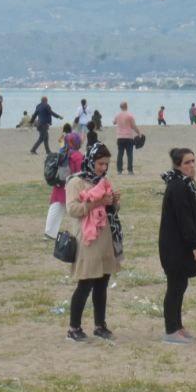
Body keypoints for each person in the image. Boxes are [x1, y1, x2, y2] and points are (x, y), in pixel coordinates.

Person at [64, 144, 122, 342]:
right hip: (87, 240)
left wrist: (114, 201)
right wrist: (99, 202)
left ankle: (100, 325)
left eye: (106, 164)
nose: (103, 168)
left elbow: (112, 209)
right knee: (85, 283)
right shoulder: (76, 182)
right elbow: (73, 209)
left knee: (102, 283)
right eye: (100, 164)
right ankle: (74, 328)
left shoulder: (104, 180)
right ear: (90, 161)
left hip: (105, 237)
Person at [158, 149, 196, 344]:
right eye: (187, 163)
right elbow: (184, 218)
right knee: (175, 286)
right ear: (178, 165)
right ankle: (170, 330)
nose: (192, 166)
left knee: (181, 284)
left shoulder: (187, 184)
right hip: (175, 245)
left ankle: (178, 325)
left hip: (182, 244)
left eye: (193, 161)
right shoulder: (178, 186)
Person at [44, 132, 76, 240]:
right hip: (70, 184)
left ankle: (50, 232)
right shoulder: (74, 155)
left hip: (60, 185)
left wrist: (64, 134)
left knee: (56, 208)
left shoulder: (62, 151)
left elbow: (61, 140)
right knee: (76, 209)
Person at [112, 102, 139, 175]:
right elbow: (133, 126)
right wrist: (139, 133)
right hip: (129, 137)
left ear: (120, 107)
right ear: (127, 106)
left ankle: (119, 170)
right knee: (129, 154)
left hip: (120, 137)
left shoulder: (118, 115)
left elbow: (114, 122)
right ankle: (130, 170)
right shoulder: (130, 115)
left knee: (120, 154)